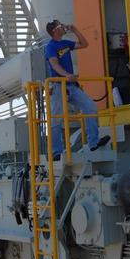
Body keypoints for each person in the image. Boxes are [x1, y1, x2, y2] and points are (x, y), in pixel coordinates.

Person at [44, 20, 111, 157]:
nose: (64, 27)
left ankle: (93, 143)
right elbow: (54, 64)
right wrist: (68, 75)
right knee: (56, 118)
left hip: (71, 86)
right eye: (60, 26)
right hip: (58, 85)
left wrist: (75, 30)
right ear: (55, 31)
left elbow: (85, 44)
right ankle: (56, 152)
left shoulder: (66, 43)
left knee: (90, 107)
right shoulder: (50, 47)